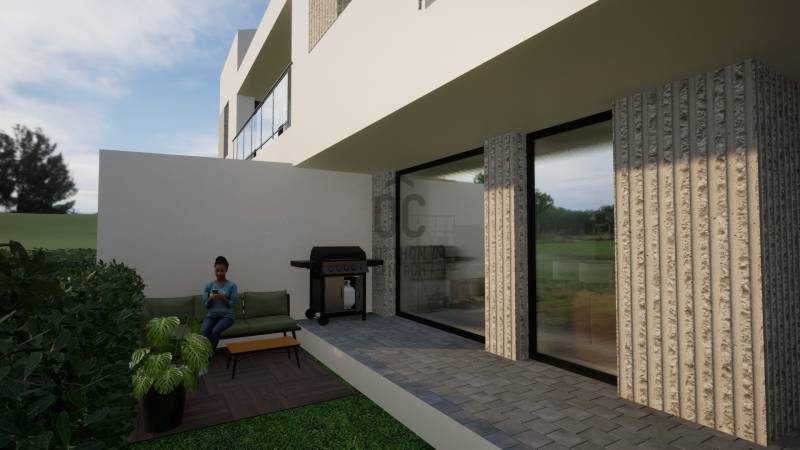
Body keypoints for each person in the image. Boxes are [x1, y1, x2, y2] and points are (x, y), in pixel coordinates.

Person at [201, 256, 238, 350]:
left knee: (215, 331)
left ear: (226, 270)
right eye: (217, 270)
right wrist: (210, 298)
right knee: (204, 331)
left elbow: (231, 305)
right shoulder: (209, 286)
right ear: (214, 270)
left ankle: (210, 353)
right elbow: (206, 306)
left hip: (227, 316)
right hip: (211, 315)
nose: (219, 273)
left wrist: (222, 298)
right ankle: (204, 352)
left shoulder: (232, 286)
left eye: (222, 270)